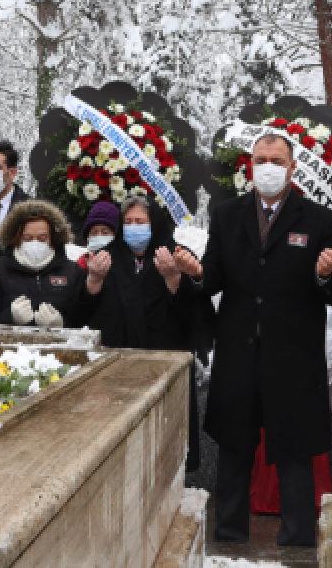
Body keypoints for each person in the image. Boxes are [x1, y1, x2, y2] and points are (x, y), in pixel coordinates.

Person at [172, 132, 332, 547]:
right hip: (238, 352)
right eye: (260, 159)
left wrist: (325, 273)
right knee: (234, 448)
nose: (267, 166)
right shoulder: (228, 214)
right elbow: (214, 275)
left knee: (294, 452)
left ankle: (298, 538)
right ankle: (229, 537)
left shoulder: (318, 219)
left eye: (276, 159)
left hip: (294, 356)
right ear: (251, 165)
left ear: (291, 167)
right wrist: (195, 273)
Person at [83, 196, 203, 471]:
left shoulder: (179, 256)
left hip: (164, 370)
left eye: (141, 222)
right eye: (128, 222)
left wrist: (175, 279)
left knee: (167, 459)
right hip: (118, 372)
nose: (134, 227)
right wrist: (93, 280)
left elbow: (197, 316)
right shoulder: (106, 258)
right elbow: (83, 311)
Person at [0, 200, 86, 329]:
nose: (35, 243)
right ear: (16, 238)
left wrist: (61, 325)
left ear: (53, 238)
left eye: (42, 238)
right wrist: (10, 317)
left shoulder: (72, 271)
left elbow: (86, 323)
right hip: (11, 349)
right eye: (28, 238)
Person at [76, 201, 119, 270]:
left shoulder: (127, 265)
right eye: (93, 233)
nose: (99, 236)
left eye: (105, 233)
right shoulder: (79, 266)